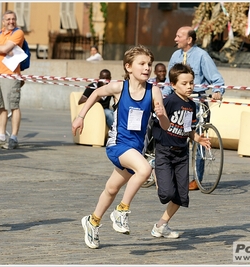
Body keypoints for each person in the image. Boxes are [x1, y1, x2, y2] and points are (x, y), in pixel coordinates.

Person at [72, 45, 170, 249]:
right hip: (118, 145)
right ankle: (121, 210)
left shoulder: (154, 91)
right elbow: (96, 93)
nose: (147, 68)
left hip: (135, 150)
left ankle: (92, 222)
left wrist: (161, 114)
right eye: (141, 64)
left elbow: (166, 125)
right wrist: (81, 116)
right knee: (144, 169)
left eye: (149, 64)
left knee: (111, 188)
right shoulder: (119, 88)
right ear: (128, 67)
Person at [151, 63, 210, 238]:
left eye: (191, 83)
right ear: (173, 84)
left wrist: (197, 138)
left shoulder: (191, 105)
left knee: (181, 195)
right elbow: (157, 123)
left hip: (181, 154)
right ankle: (155, 169)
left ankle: (161, 225)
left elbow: (187, 128)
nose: (189, 86)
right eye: (184, 83)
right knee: (166, 193)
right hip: (165, 152)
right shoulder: (168, 102)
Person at [162, 26, 225, 190]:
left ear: (189, 39)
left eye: (179, 36)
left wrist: (217, 91)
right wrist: (162, 98)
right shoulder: (175, 55)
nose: (175, 39)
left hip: (197, 103)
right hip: (176, 103)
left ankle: (197, 178)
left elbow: (216, 79)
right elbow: (170, 82)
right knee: (173, 136)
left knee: (198, 140)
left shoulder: (202, 56)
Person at [0, 10, 25, 150]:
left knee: (13, 106)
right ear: (3, 21)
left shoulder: (18, 33)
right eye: (8, 19)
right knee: (0, 107)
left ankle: (13, 137)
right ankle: (1, 137)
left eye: (13, 19)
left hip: (11, 74)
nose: (11, 21)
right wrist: (0, 49)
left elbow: (1, 48)